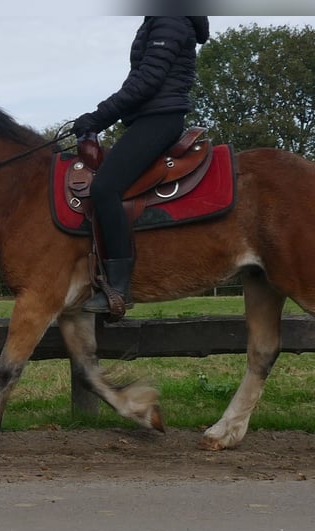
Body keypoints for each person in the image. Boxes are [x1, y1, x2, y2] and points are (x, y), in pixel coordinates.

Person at [72, 16, 210, 314]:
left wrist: (97, 119)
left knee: (106, 187)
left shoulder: (168, 20)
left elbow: (147, 81)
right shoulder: (161, 19)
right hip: (150, 117)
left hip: (160, 119)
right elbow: (139, 81)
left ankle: (119, 288)